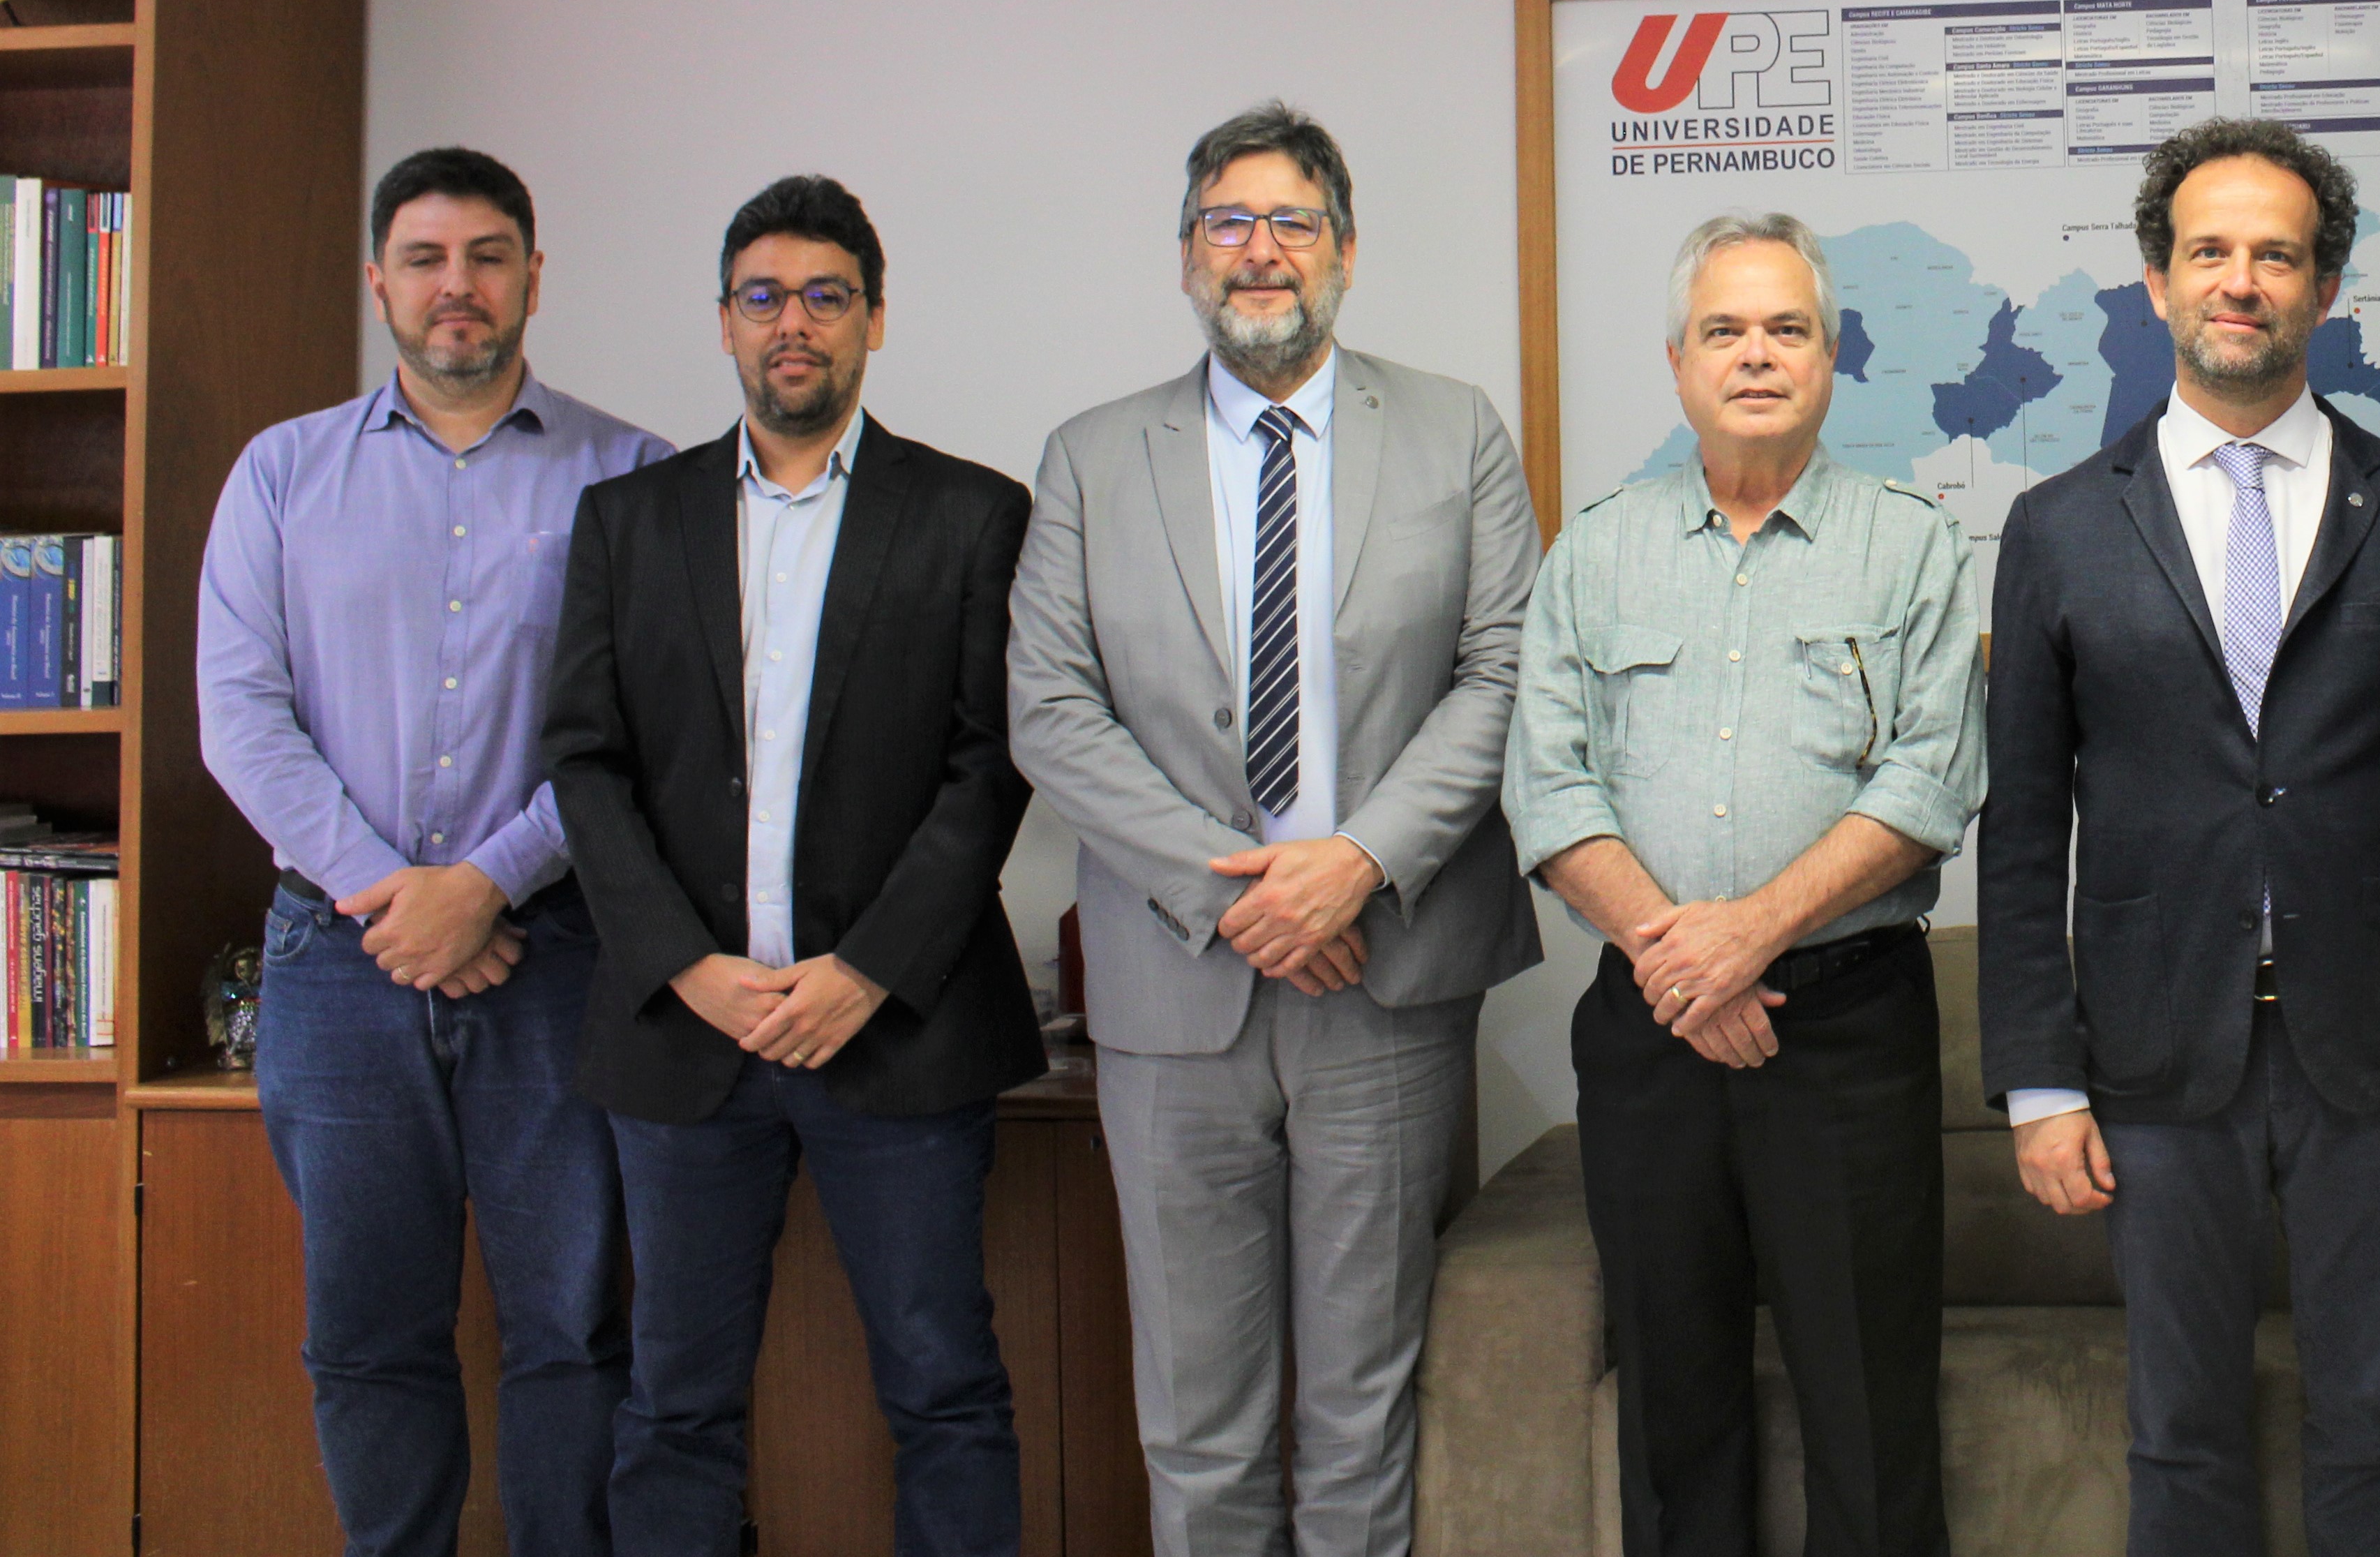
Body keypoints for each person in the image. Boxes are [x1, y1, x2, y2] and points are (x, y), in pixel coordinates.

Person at [1979, 115, 2380, 1557]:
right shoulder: (2056, 527)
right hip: (2153, 1053)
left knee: (2377, 1415)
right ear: (2156, 281)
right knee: (2178, 1422)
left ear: (2326, 289)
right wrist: (2039, 1080)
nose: (2242, 280)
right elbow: (2023, 827)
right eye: (2210, 250)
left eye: (2277, 255)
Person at [1007, 100, 1542, 1557]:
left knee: (1364, 1402)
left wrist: (1352, 865)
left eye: (1292, 220)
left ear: (1345, 250)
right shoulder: (1092, 456)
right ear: (1186, 254)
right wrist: (1238, 892)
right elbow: (1049, 708)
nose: (1260, 249)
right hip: (1175, 987)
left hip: (1388, 976)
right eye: (1228, 222)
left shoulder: (1454, 429)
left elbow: (1506, 673)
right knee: (1199, 1416)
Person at [544, 174, 1042, 1556]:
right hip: (687, 1036)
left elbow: (992, 764)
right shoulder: (628, 522)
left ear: (874, 318)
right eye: (763, 297)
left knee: (945, 1387)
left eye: (827, 296)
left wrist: (868, 968)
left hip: (899, 1033)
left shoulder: (970, 514)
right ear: (724, 322)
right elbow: (584, 761)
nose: (794, 324)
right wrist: (684, 965)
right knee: (675, 1400)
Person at [197, 147, 673, 1557]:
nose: (455, 285)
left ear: (534, 276)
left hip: (556, 953)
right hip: (338, 960)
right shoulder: (281, 472)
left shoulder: (634, 474)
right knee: (367, 1331)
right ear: (379, 282)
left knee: (572, 1327)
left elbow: (649, 727)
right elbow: (240, 714)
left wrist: (486, 884)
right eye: (424, 258)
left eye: (485, 256)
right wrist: (392, 895)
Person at [1508, 213, 1984, 1557]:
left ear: (1832, 359)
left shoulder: (1912, 547)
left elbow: (1932, 780)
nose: (1756, 355)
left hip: (1846, 1031)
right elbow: (1549, 787)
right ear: (1678, 363)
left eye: (1788, 329)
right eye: (1724, 330)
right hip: (1651, 1029)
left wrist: (1749, 938)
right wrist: (1685, 963)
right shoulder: (1596, 550)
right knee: (1672, 1403)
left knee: (1870, 1407)